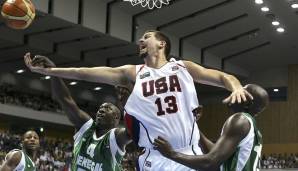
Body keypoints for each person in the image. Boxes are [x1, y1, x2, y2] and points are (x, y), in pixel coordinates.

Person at [24, 30, 252, 170]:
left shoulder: (183, 67)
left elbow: (223, 76)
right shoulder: (132, 72)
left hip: (188, 154)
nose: (140, 40)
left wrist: (236, 87)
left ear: (162, 44)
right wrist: (51, 72)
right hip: (154, 157)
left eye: (146, 37)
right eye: (140, 38)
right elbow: (84, 72)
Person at [32, 57, 132, 170]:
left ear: (116, 118)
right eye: (100, 108)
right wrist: (52, 71)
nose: (102, 110)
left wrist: (129, 104)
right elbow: (65, 99)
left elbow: (130, 133)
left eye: (108, 108)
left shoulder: (115, 137)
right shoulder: (86, 127)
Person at [153, 84, 269, 171]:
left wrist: (171, 154)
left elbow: (211, 162)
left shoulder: (240, 120)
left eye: (241, 91)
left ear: (247, 103)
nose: (235, 91)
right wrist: (193, 125)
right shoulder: (251, 127)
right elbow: (215, 153)